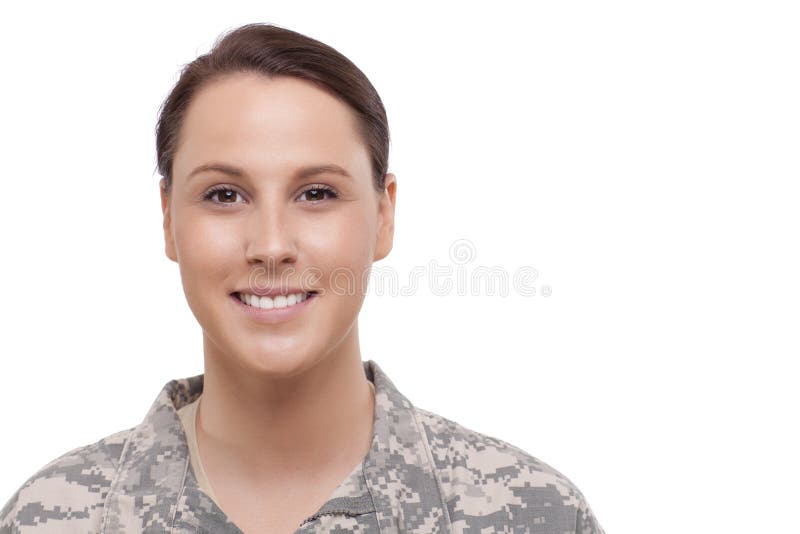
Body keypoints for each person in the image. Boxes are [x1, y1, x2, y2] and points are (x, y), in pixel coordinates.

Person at [0, 23, 604, 533]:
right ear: (167, 219)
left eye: (317, 193)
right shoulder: (51, 518)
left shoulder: (536, 516)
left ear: (384, 215)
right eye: (224, 194)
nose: (270, 245)